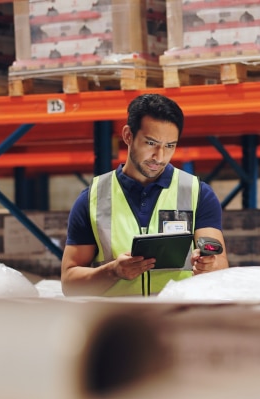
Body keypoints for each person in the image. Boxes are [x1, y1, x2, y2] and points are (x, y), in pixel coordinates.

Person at [61, 93, 229, 296]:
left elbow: (220, 267)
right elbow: (70, 284)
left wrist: (209, 267)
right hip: (118, 324)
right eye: (151, 143)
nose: (159, 156)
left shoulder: (197, 194)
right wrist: (113, 271)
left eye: (169, 146)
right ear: (128, 136)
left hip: (177, 323)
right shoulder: (92, 199)